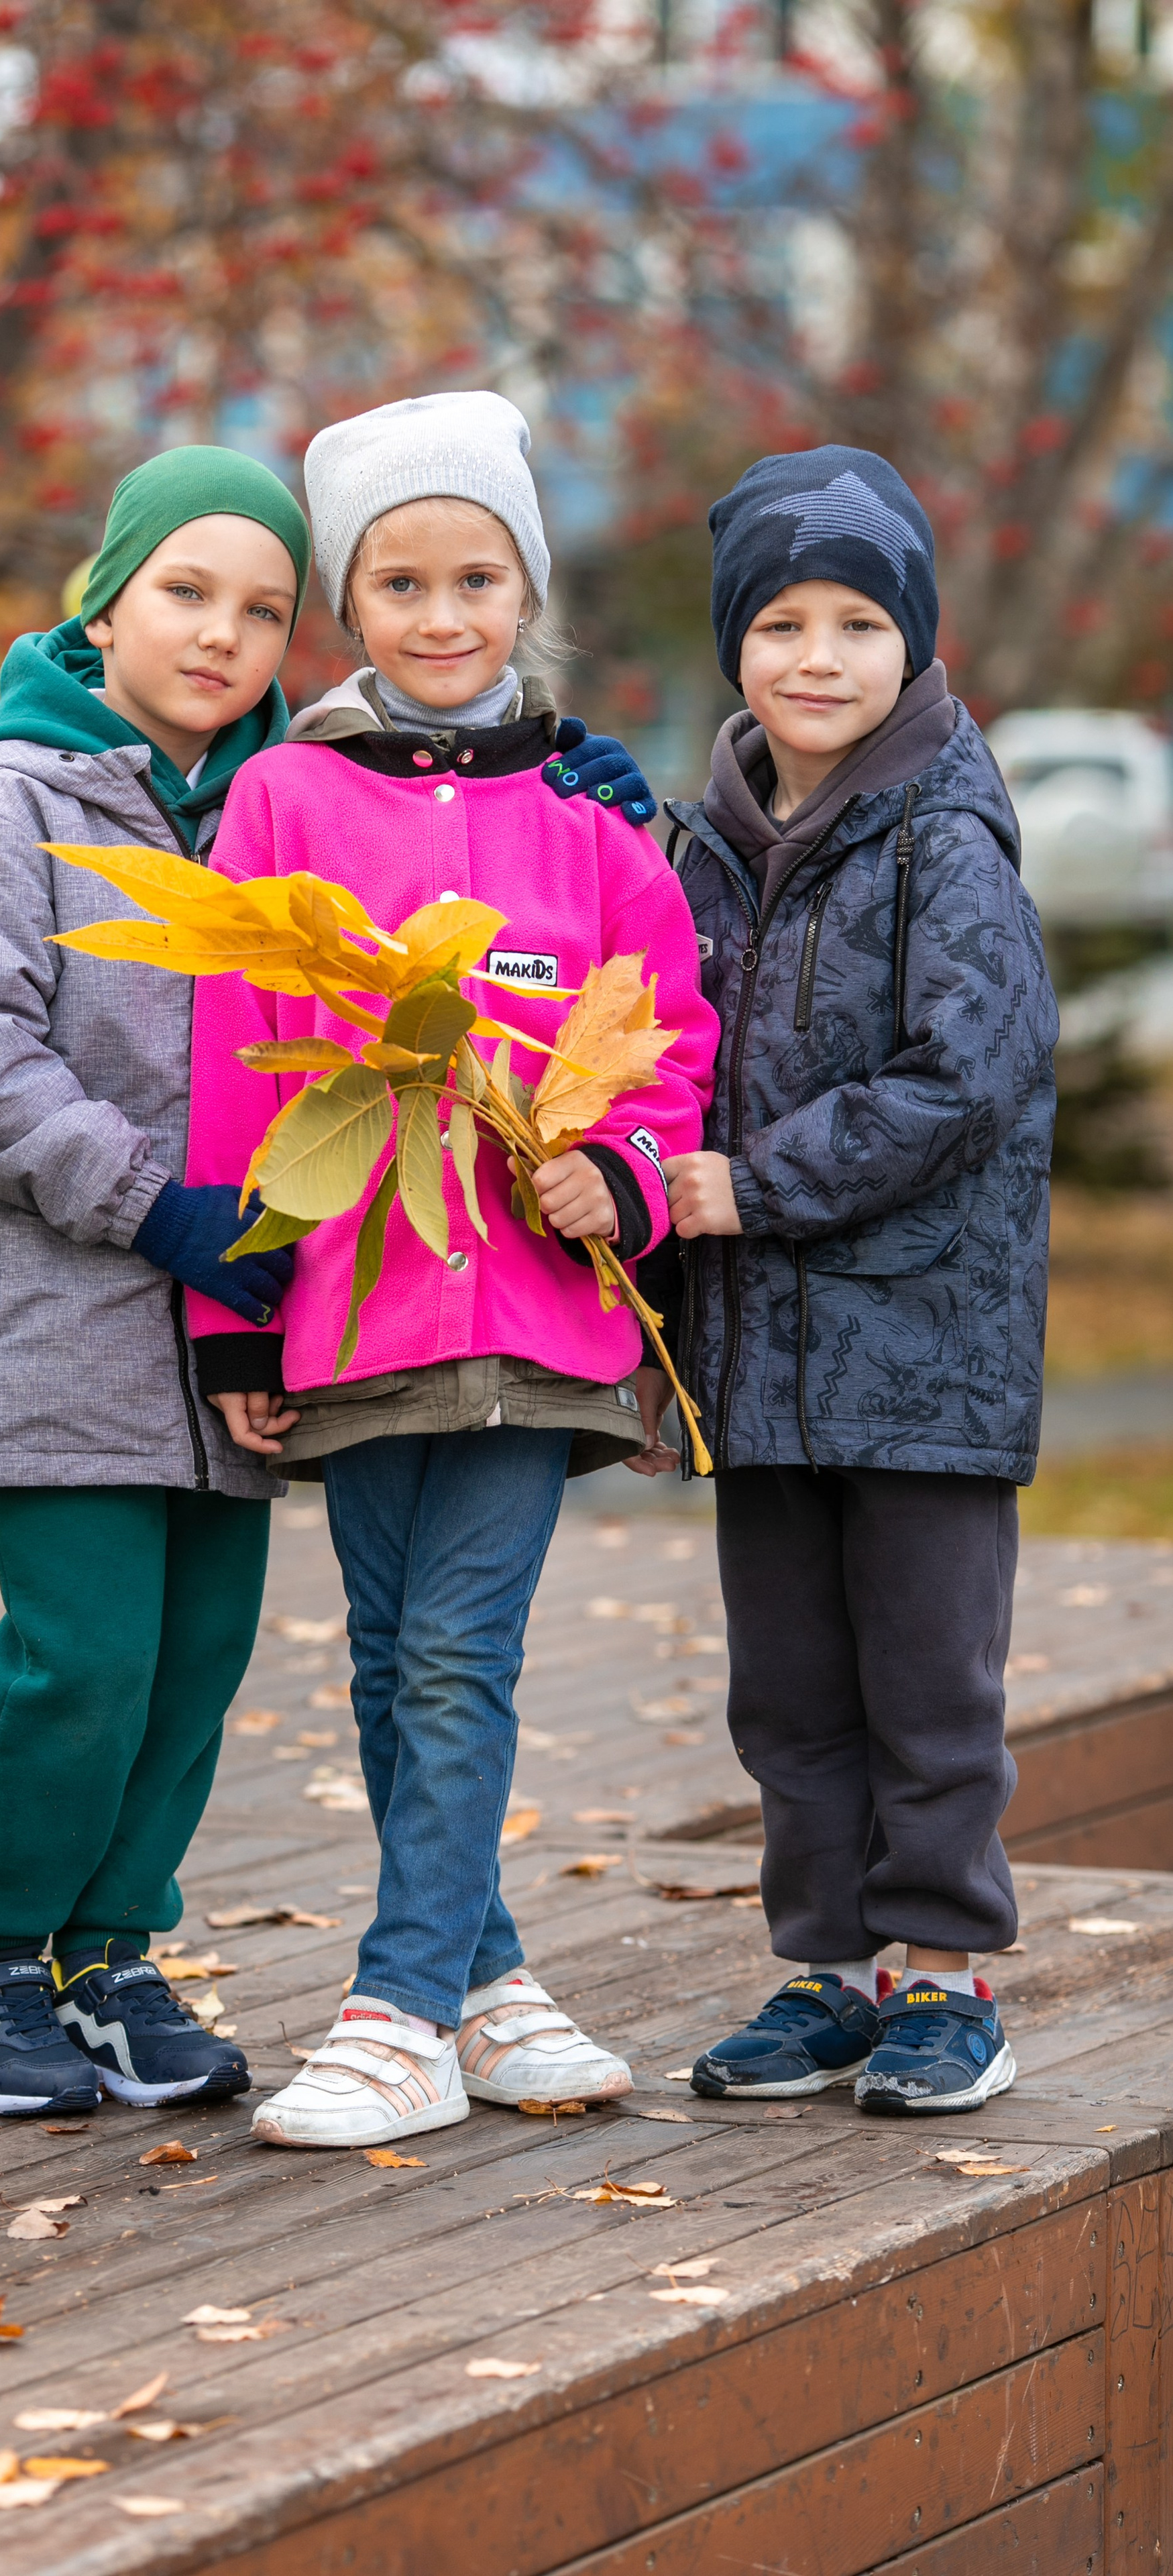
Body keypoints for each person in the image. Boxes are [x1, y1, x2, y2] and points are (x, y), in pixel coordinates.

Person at [182, 390, 719, 2149]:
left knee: (458, 1653)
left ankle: (396, 2006)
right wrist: (232, 1314)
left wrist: (625, 1177)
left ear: (522, 588)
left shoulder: (589, 808)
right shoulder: (283, 793)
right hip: (351, 1285)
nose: (438, 613)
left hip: (535, 1300)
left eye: (474, 574)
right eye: (397, 580)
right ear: (351, 603)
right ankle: (489, 1985)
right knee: (392, 1646)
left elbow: (667, 1040)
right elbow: (237, 1061)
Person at [0, 448, 315, 2118]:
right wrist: (146, 1196)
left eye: (263, 609)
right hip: (57, 1303)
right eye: (186, 592)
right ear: (107, 601)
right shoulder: (16, 806)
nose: (220, 635)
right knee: (79, 1661)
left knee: (196, 1660)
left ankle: (109, 1955)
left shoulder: (285, 814)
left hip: (229, 1321)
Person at [630, 445, 1058, 2114]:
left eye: (859, 624)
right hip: (755, 1359)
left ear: (914, 645)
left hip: (924, 1359)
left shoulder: (943, 838)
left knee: (926, 1686)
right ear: (734, 646)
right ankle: (824, 1973)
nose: (819, 658)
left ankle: (943, 1978)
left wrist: (751, 1186)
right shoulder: (703, 844)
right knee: (789, 1693)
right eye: (783, 623)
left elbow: (972, 1076)